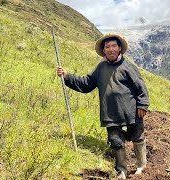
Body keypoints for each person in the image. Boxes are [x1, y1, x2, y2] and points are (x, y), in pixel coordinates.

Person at [56, 32, 150, 179]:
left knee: (137, 137)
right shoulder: (100, 68)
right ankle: (122, 170)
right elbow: (86, 84)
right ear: (104, 50)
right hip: (111, 113)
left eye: (114, 46)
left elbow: (141, 87)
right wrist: (67, 76)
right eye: (108, 47)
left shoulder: (128, 66)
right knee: (115, 141)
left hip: (132, 111)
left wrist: (142, 105)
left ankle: (141, 166)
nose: (111, 49)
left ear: (119, 48)